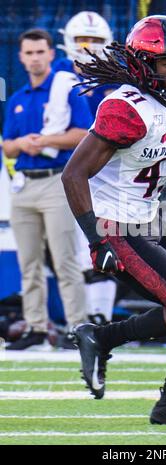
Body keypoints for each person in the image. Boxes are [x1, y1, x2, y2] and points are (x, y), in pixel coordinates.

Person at [62, 15, 166, 425]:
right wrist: (96, 241)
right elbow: (73, 174)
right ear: (141, 65)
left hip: (151, 217)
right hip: (115, 224)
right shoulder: (126, 109)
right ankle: (101, 337)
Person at [2, 29, 93, 350]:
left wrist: (45, 141)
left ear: (50, 54)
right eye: (29, 53)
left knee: (65, 258)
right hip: (25, 183)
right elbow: (8, 147)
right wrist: (23, 144)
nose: (35, 58)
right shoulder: (17, 98)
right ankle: (37, 327)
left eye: (40, 51)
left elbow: (84, 134)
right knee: (29, 263)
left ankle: (76, 328)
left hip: (57, 180)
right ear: (21, 56)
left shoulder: (65, 88)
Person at [54, 11, 118, 325]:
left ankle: (100, 316)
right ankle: (83, 318)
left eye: (94, 40)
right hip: (70, 173)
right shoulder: (58, 78)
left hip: (111, 171)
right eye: (82, 39)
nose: (88, 46)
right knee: (74, 248)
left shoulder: (117, 80)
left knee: (104, 241)